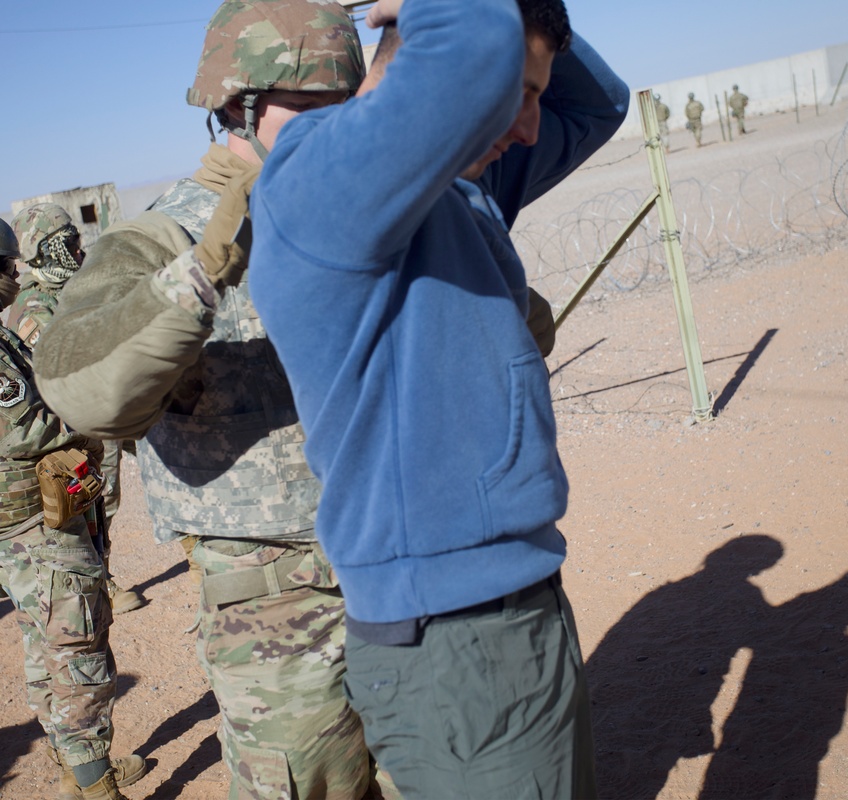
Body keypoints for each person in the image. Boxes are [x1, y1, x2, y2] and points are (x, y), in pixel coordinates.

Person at [249, 0, 629, 796]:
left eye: (532, 93)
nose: (528, 127)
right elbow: (475, 41)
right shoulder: (325, 190)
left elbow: (599, 104)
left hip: (514, 611)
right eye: (514, 92)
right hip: (451, 640)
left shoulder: (462, 184)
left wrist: (519, 28)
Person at [33, 2, 395, 798]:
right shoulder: (163, 237)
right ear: (238, 105)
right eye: (313, 103)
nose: (340, 123)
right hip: (279, 619)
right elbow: (79, 386)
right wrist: (204, 270)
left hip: (403, 572)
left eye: (350, 101)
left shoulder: (363, 211)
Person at [0, 218, 146, 800]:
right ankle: (95, 786)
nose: (15, 276)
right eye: (5, 268)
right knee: (78, 650)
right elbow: (22, 429)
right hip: (35, 527)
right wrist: (93, 411)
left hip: (23, 526)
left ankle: (76, 765)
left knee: (45, 646)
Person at [9, 203, 145, 614]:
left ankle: (100, 577)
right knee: (89, 502)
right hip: (67, 425)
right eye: (69, 244)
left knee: (105, 499)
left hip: (97, 411)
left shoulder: (72, 290)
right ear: (47, 251)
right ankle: (97, 581)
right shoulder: (37, 308)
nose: (79, 251)